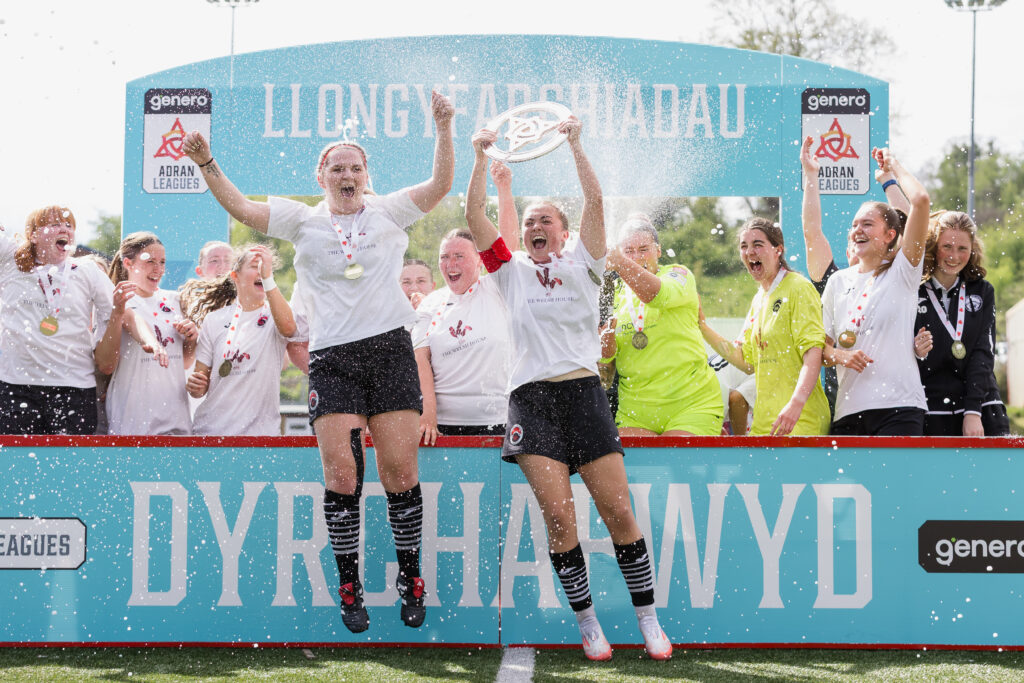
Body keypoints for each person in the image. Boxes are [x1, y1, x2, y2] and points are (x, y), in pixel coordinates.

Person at [181, 90, 454, 633]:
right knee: (343, 475)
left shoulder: (388, 210)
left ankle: (411, 577)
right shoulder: (300, 219)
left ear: (366, 176)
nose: (347, 174)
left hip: (389, 350)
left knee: (400, 472)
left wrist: (443, 128)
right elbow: (241, 207)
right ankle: (350, 587)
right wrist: (207, 162)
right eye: (337, 168)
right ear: (322, 176)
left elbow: (441, 185)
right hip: (333, 359)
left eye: (355, 168)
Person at [465, 124, 672, 662]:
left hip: (584, 395)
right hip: (530, 402)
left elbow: (595, 200)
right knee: (560, 520)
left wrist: (577, 144)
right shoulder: (508, 271)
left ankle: (648, 619)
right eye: (529, 222)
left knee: (618, 512)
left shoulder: (586, 261)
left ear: (563, 232)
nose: (536, 226)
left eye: (545, 221)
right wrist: (479, 158)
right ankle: (588, 623)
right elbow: (474, 216)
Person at [820, 148, 931, 435]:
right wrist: (840, 356)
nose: (858, 230)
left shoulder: (903, 271)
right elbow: (821, 350)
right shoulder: (837, 282)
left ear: (889, 235)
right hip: (848, 413)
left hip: (900, 409)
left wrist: (893, 169)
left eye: (867, 224)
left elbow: (920, 202)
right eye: (854, 225)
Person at [0, 206, 129, 434]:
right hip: (16, 387)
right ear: (33, 235)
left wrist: (150, 341)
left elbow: (123, 312)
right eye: (54, 224)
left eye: (69, 226)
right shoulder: (11, 257)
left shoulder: (87, 270)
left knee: (72, 457)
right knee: (17, 457)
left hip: (74, 388)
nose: (64, 229)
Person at [699, 219, 830, 436]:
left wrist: (796, 404)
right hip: (764, 424)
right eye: (744, 246)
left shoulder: (798, 287)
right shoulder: (759, 299)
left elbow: (813, 353)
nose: (750, 251)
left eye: (757, 244)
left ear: (778, 250)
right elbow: (746, 362)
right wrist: (702, 327)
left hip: (801, 420)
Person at [600, 214, 723, 435]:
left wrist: (620, 261)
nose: (636, 257)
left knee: (674, 454)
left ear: (658, 250)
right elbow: (607, 364)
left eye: (643, 249)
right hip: (635, 411)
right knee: (624, 458)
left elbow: (655, 295)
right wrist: (605, 341)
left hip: (692, 405)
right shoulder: (615, 293)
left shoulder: (679, 274)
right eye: (629, 251)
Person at [185, 245, 301, 435]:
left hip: (261, 435)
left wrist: (268, 279)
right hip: (212, 432)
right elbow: (199, 387)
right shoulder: (214, 320)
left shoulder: (276, 313)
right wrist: (194, 385)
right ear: (235, 276)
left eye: (266, 267)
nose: (262, 270)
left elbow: (289, 328)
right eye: (255, 266)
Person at [915, 211, 1009, 436]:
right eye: (946, 246)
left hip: (981, 405)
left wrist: (973, 411)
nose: (954, 256)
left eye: (962, 248)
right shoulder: (914, 289)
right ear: (933, 245)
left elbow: (983, 353)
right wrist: (916, 351)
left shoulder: (982, 290)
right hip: (932, 406)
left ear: (972, 249)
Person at [106, 232, 196, 435]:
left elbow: (184, 362)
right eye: (150, 261)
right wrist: (153, 343)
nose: (158, 269)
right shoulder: (118, 301)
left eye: (162, 262)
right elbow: (133, 321)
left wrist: (192, 339)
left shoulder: (175, 301)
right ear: (128, 263)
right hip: (133, 423)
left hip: (177, 422)